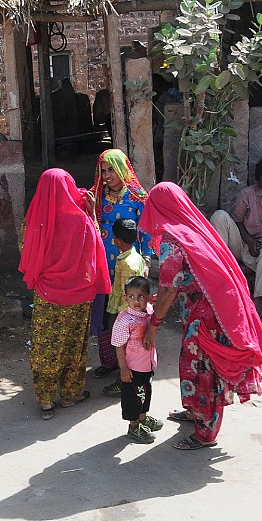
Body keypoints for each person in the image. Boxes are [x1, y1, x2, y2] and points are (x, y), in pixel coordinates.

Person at [140, 182, 262, 450]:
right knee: (192, 363)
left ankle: (206, 433)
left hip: (206, 317)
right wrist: (169, 296)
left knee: (203, 370)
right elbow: (185, 279)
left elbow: (168, 287)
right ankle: (194, 411)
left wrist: (154, 325)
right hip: (212, 309)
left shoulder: (172, 238)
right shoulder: (195, 229)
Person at [19, 169, 111, 420]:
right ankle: (70, 394)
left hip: (47, 294)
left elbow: (24, 250)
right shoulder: (80, 220)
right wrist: (91, 214)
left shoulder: (34, 218)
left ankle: (46, 400)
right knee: (73, 346)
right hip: (78, 295)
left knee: (45, 346)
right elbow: (94, 248)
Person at [89, 149, 153, 381]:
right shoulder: (97, 197)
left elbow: (146, 230)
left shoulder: (137, 198)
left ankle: (134, 364)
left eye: (111, 170)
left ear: (122, 169)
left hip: (128, 268)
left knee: (130, 315)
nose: (107, 176)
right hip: (103, 268)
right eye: (103, 171)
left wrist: (146, 260)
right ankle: (109, 361)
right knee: (105, 314)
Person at [210, 158, 262, 311]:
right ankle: (221, 269)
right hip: (243, 245)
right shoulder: (247, 194)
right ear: (258, 180)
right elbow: (237, 221)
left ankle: (255, 305)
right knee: (219, 216)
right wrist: (249, 241)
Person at [111, 276, 162, 444]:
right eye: (131, 296)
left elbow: (161, 303)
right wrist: (123, 368)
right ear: (125, 298)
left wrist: (154, 299)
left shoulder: (148, 310)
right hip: (132, 369)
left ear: (148, 297)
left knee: (145, 393)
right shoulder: (124, 319)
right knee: (133, 397)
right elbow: (118, 345)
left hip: (147, 365)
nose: (136, 300)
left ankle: (143, 419)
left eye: (141, 296)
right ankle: (134, 427)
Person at [101, 218, 148, 397]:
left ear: (117, 241)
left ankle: (123, 381)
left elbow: (131, 293)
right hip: (124, 310)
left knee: (122, 348)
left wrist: (124, 314)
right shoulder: (135, 258)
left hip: (123, 312)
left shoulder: (128, 263)